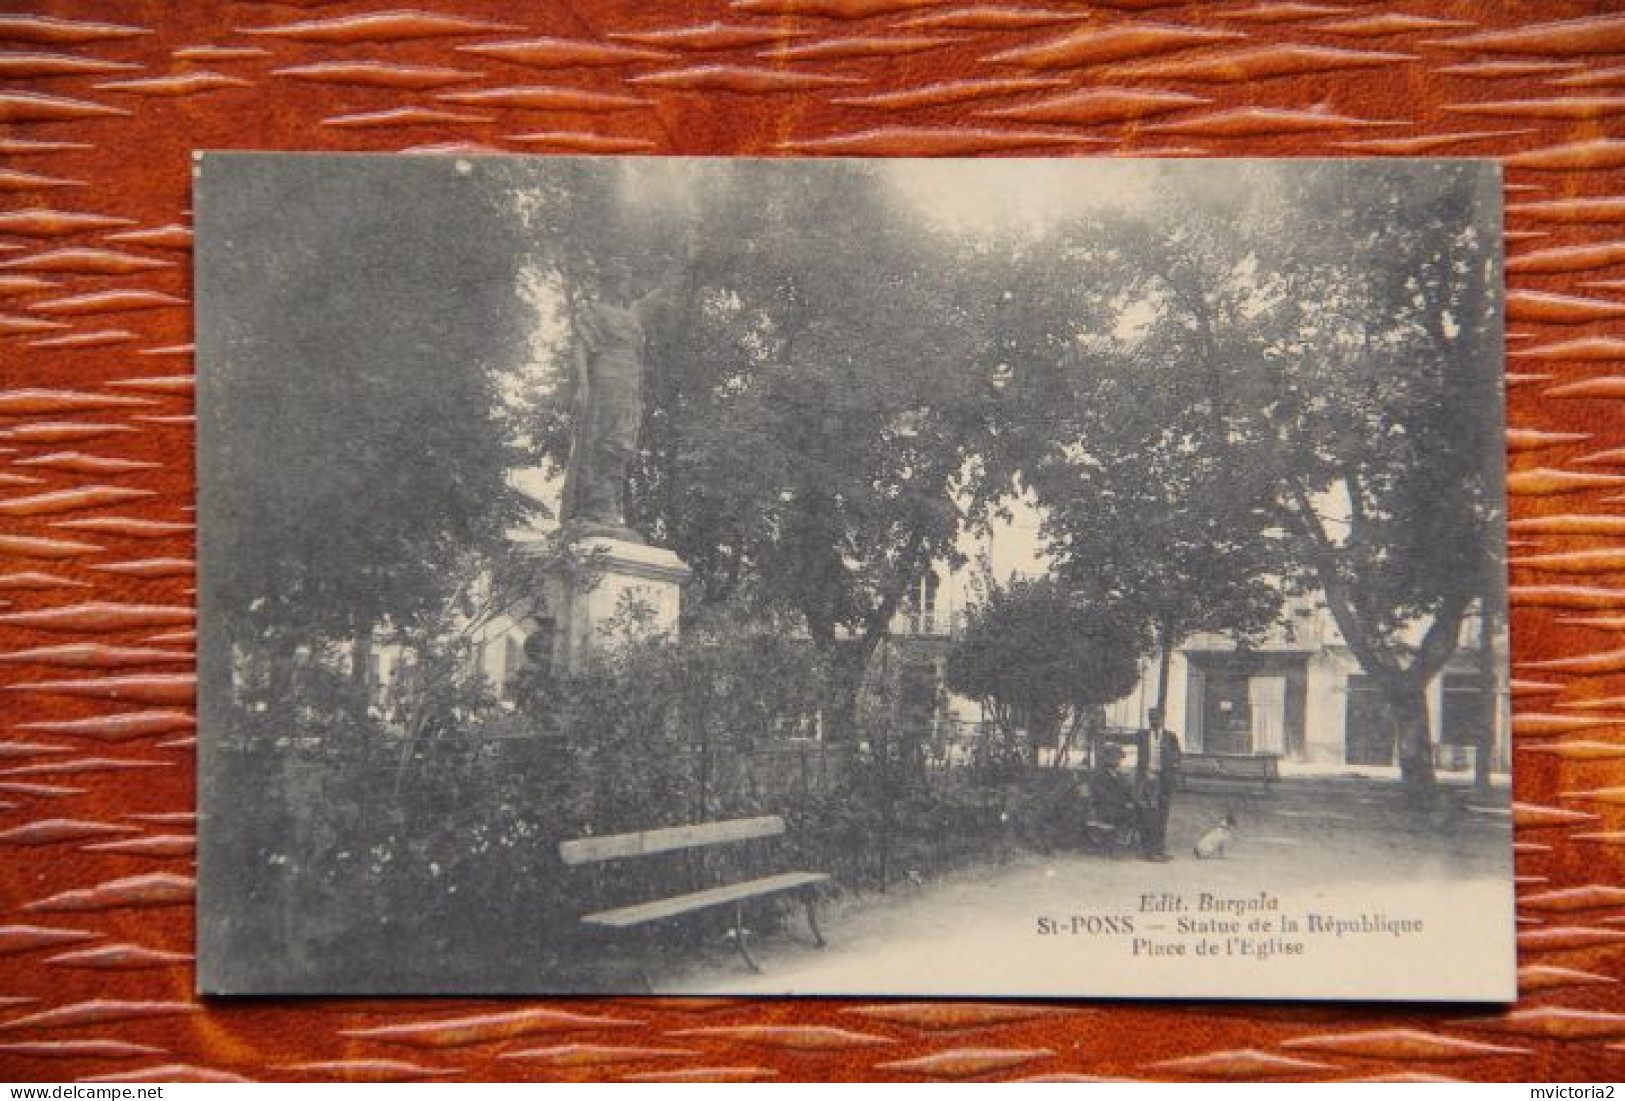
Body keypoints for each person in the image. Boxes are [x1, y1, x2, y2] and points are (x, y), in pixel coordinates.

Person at [1138, 708, 1182, 861]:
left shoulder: (1170, 737)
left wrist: (1173, 770)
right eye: (1151, 718)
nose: (1154, 721)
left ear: (1163, 719)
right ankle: (1147, 850)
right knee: (1147, 814)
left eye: (1157, 718)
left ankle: (1159, 848)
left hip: (1163, 780)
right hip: (1147, 779)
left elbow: (1178, 756)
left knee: (1162, 815)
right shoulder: (1142, 735)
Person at [1088, 742, 1137, 841]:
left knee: (1143, 811)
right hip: (1104, 808)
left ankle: (1126, 838)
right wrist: (1123, 803)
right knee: (1129, 813)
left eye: (1119, 757)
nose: (1118, 760)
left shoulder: (1119, 775)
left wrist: (1131, 799)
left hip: (1117, 806)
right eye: (1115, 757)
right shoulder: (1099, 775)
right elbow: (1102, 795)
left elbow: (1125, 791)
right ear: (1106, 758)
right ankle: (1119, 838)